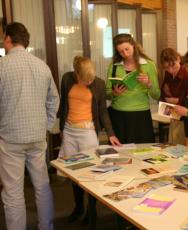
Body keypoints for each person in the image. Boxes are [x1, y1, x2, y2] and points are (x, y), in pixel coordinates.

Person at [0, 22, 59, 230]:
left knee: (13, 192)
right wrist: (47, 125)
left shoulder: (2, 66)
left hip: (10, 138)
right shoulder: (42, 66)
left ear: (8, 38)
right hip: (37, 135)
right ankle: (47, 227)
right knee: (42, 186)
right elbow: (54, 99)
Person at [59, 56, 121, 223]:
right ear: (76, 74)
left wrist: (111, 134)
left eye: (91, 79)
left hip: (87, 132)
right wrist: (61, 128)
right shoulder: (66, 79)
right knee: (72, 171)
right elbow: (63, 103)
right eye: (85, 79)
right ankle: (78, 207)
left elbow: (102, 111)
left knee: (90, 172)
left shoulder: (99, 84)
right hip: (70, 131)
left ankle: (90, 211)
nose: (89, 82)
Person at [106, 34, 160, 143]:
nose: (125, 54)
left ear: (133, 46)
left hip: (141, 115)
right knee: (120, 154)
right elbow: (107, 94)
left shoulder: (148, 65)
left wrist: (148, 84)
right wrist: (114, 93)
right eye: (121, 51)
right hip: (119, 115)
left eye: (127, 49)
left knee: (144, 153)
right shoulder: (114, 66)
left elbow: (156, 95)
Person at [160, 48, 188, 144]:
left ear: (178, 59)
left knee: (181, 146)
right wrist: (173, 100)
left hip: (185, 117)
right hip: (172, 114)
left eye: (173, 65)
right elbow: (164, 95)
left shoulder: (186, 73)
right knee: (172, 144)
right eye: (166, 68)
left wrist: (175, 100)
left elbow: (186, 100)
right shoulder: (168, 73)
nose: (170, 70)